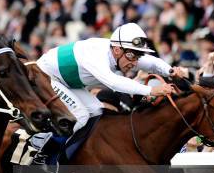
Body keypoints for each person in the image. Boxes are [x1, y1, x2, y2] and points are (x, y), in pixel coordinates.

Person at [36, 23, 184, 133]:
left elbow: (151, 62)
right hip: (46, 76)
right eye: (132, 56)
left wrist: (170, 71)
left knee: (97, 112)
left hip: (68, 82)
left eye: (137, 56)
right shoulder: (97, 54)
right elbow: (113, 82)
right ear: (117, 50)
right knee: (81, 116)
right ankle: (49, 153)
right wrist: (151, 90)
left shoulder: (123, 53)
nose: (134, 63)